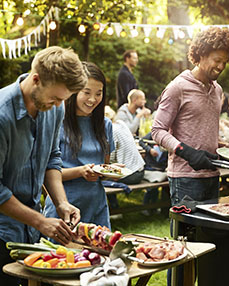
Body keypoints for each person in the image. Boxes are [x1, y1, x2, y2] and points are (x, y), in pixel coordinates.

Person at [0, 46, 85, 285]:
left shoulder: (55, 108)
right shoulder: (2, 115)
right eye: (55, 98)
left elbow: (52, 158)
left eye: (63, 99)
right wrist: (39, 220)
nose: (59, 104)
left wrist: (61, 203)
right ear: (35, 79)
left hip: (29, 232)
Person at [152, 26, 229, 207]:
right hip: (185, 177)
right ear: (201, 55)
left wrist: (224, 145)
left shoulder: (217, 90)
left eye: (225, 62)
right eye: (217, 60)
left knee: (208, 234)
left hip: (212, 173)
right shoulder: (178, 87)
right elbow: (157, 130)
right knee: (186, 234)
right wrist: (186, 152)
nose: (221, 67)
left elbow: (202, 130)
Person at [44, 62, 115, 229]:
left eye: (98, 94)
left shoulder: (105, 125)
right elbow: (45, 173)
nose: (92, 99)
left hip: (96, 204)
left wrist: (109, 171)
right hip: (64, 206)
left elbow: (104, 166)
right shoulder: (57, 122)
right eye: (86, 92)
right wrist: (80, 171)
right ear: (74, 91)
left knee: (100, 254)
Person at [108, 116, 146, 209]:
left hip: (131, 175)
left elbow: (110, 158)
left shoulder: (111, 131)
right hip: (140, 170)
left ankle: (114, 208)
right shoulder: (121, 125)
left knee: (102, 178)